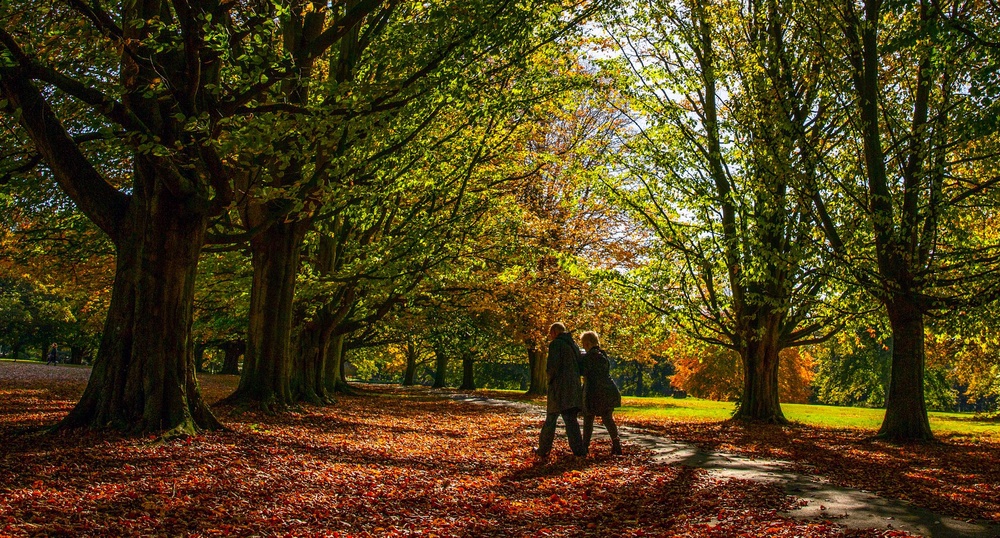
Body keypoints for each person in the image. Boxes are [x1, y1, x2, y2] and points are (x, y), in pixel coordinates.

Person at [534, 322, 587, 459]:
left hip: (559, 389)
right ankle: (579, 451)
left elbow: (552, 367)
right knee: (571, 421)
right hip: (573, 388)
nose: (550, 336)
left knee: (551, 420)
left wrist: (549, 381)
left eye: (550, 333)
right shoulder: (573, 345)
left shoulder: (556, 344)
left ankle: (543, 449)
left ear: (555, 332)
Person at [580, 331, 622, 455]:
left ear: (587, 343)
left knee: (588, 419)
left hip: (593, 392)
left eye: (583, 344)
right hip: (608, 390)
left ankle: (585, 446)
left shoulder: (589, 357)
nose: (583, 347)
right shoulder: (603, 355)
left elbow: (583, 372)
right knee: (608, 419)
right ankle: (616, 443)